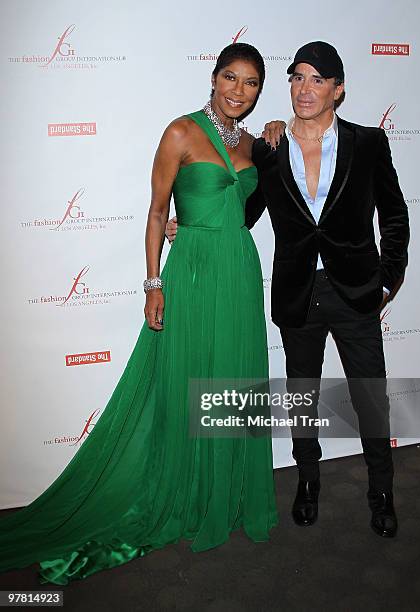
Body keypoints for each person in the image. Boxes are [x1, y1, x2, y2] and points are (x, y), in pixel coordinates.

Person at [0, 43, 278, 586]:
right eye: (230, 78)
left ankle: (222, 493)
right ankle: (185, 490)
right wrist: (153, 282)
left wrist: (277, 135)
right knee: (186, 382)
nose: (237, 91)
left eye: (249, 83)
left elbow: (255, 206)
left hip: (239, 272)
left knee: (233, 379)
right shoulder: (180, 131)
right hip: (192, 273)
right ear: (214, 76)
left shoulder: (256, 144)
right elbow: (156, 212)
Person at [168, 41, 410, 538]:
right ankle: (307, 483)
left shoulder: (368, 143)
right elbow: (246, 209)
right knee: (303, 397)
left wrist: (389, 278)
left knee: (370, 398)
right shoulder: (268, 147)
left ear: (337, 90)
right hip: (299, 293)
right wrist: (193, 224)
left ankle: (381, 492)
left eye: (318, 79)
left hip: (355, 292)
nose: (305, 88)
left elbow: (395, 214)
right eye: (298, 77)